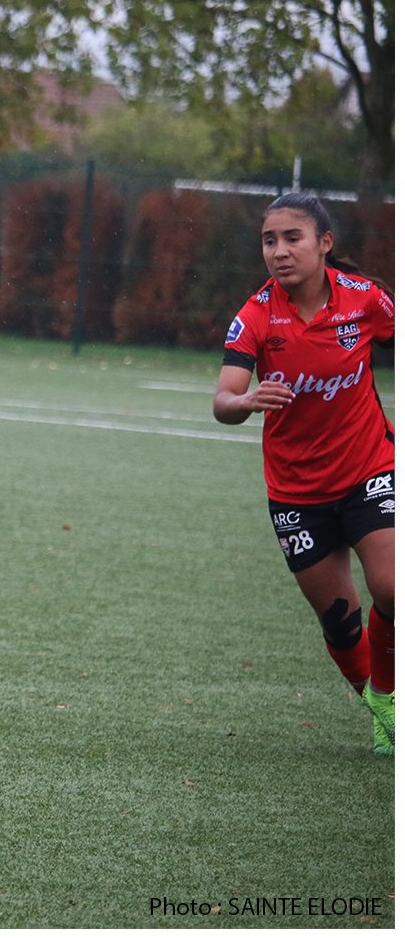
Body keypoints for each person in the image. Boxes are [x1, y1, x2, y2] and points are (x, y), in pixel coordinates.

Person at [214, 193, 394, 755]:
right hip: (296, 492)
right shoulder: (255, 316)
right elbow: (223, 400)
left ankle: (388, 696)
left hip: (369, 468)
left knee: (393, 588)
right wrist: (247, 401)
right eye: (269, 240)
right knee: (341, 622)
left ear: (324, 244)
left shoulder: (364, 300)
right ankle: (380, 705)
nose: (280, 251)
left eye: (293, 238)